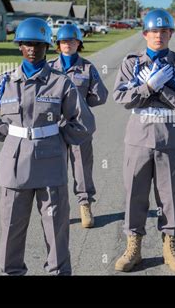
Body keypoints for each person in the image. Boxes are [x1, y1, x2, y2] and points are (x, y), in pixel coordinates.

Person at [0, 17, 95, 275]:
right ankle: (11, 272)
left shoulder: (61, 83)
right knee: (11, 227)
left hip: (50, 163)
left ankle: (59, 272)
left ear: (47, 47)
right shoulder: (4, 82)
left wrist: (59, 137)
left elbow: (84, 122)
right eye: (27, 43)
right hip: (14, 166)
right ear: (19, 46)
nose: (32, 49)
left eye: (38, 44)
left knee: (56, 227)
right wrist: (9, 134)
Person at [112, 8, 175, 273]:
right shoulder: (131, 63)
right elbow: (121, 97)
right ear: (145, 34)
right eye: (153, 31)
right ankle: (133, 247)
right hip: (139, 133)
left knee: (170, 195)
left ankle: (170, 246)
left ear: (170, 33)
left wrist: (165, 88)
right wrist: (147, 87)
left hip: (170, 133)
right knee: (134, 192)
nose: (158, 36)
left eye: (164, 31)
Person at [48, 24, 108, 228]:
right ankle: (58, 208)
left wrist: (80, 104)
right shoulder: (49, 67)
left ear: (78, 44)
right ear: (58, 44)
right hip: (53, 126)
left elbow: (101, 95)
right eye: (64, 41)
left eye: (72, 41)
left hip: (80, 127)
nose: (68, 45)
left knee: (82, 167)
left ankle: (85, 205)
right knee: (55, 168)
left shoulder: (88, 68)